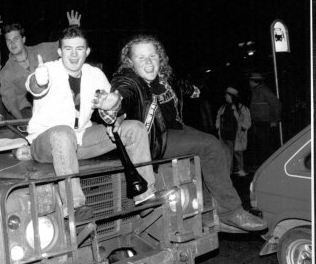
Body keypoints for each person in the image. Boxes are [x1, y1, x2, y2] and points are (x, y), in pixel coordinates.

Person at [110, 35, 266, 232]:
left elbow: (180, 85)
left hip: (174, 129)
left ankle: (209, 214)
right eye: (141, 58)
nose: (148, 62)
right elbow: (123, 92)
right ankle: (231, 211)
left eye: (152, 56)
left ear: (160, 58)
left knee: (216, 154)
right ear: (130, 62)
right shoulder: (129, 81)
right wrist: (113, 101)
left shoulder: (165, 79)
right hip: (153, 139)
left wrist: (193, 90)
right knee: (210, 146)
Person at [26, 27, 158, 221]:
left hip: (80, 138)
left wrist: (115, 115)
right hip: (46, 142)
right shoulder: (48, 70)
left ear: (87, 52)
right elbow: (34, 87)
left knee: (135, 128)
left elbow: (113, 107)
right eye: (68, 49)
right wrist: (39, 81)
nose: (73, 54)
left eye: (79, 49)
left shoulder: (94, 74)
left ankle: (144, 194)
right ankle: (75, 206)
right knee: (63, 133)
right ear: (59, 51)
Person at [0, 10, 82, 119]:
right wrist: (23, 123)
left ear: (23, 39)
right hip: (29, 111)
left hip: (53, 104)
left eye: (16, 39)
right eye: (8, 40)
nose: (12, 43)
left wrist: (74, 27)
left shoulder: (43, 49)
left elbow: (64, 44)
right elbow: (10, 103)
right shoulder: (6, 72)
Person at [247, 72, 282, 170]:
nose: (249, 83)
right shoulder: (255, 91)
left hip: (265, 124)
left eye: (250, 81)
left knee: (266, 147)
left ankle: (269, 167)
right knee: (260, 147)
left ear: (254, 81)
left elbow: (276, 105)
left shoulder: (264, 91)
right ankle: (263, 167)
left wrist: (274, 120)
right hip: (258, 123)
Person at [215, 87, 251, 176]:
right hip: (225, 134)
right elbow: (218, 118)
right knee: (227, 154)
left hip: (236, 135)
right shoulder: (223, 107)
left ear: (231, 96)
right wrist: (218, 127)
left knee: (238, 153)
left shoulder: (240, 107)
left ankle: (240, 169)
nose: (225, 96)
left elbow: (247, 119)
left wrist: (243, 128)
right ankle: (229, 170)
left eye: (226, 95)